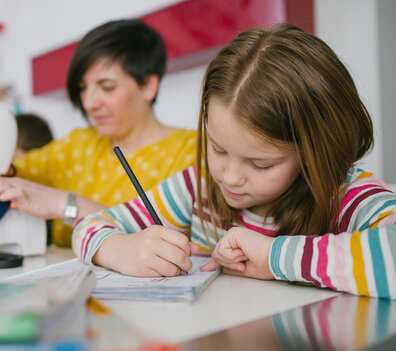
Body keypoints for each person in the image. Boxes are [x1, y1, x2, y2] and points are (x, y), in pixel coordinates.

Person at [72, 23, 396, 299]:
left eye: (261, 164)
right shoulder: (196, 186)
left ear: (314, 150)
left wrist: (273, 257)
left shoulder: (344, 195)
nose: (229, 177)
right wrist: (118, 249)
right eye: (218, 149)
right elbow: (89, 226)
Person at [0, 19, 197, 247]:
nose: (88, 103)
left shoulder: (192, 152)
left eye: (107, 87)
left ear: (148, 86)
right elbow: (11, 171)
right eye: (83, 87)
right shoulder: (77, 145)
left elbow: (183, 246)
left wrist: (66, 205)